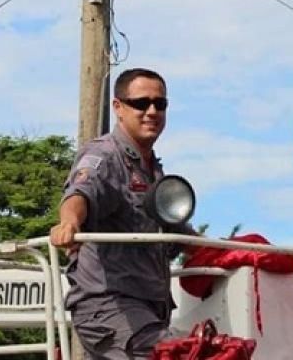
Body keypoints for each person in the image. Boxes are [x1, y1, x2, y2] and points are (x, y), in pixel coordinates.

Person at [50, 68, 196, 359]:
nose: (152, 111)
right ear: (118, 107)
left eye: (160, 104)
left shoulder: (153, 170)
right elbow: (80, 193)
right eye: (141, 103)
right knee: (175, 355)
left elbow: (176, 232)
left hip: (148, 310)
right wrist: (68, 223)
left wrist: (238, 252)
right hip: (109, 306)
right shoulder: (104, 155)